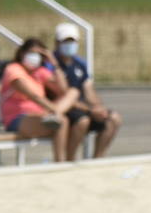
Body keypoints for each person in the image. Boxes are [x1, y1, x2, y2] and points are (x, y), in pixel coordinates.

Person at [0, 37, 80, 161]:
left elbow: (63, 90)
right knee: (61, 121)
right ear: (22, 53)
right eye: (31, 53)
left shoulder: (39, 71)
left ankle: (62, 161)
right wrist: (54, 109)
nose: (34, 57)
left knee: (73, 92)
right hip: (18, 118)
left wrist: (55, 64)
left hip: (41, 115)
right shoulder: (13, 69)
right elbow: (33, 95)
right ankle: (61, 162)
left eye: (38, 54)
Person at [52, 22, 122, 160]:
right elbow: (63, 95)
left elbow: (88, 90)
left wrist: (99, 108)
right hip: (64, 107)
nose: (69, 45)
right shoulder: (52, 64)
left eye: (72, 41)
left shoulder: (80, 64)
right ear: (56, 43)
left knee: (113, 118)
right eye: (65, 41)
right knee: (82, 121)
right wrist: (90, 110)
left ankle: (97, 159)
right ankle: (70, 159)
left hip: (82, 107)